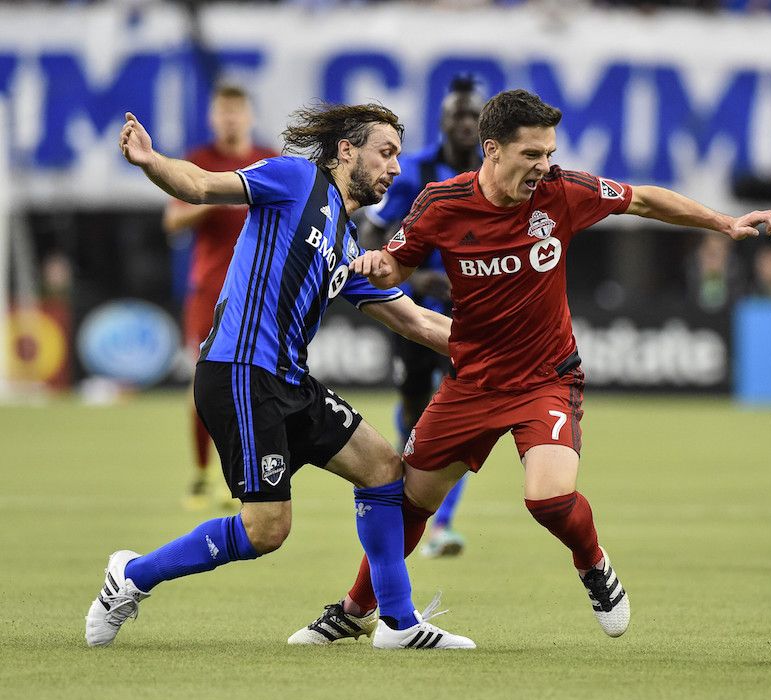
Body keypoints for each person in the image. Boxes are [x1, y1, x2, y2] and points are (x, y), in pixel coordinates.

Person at [294, 88, 771, 643]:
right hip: (472, 382)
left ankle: (593, 564)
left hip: (546, 379)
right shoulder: (441, 203)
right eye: (532, 155)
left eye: (549, 153)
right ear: (493, 150)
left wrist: (722, 223)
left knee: (548, 498)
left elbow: (643, 200)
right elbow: (396, 267)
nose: (544, 166)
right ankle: (355, 610)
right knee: (409, 503)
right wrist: (375, 264)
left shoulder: (562, 192)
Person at [85, 103, 475, 650]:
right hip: (240, 372)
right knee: (266, 530)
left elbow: (413, 318)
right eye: (385, 153)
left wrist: (496, 348)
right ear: (346, 151)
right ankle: (131, 577)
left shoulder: (346, 243)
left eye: (398, 157)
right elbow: (199, 185)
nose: (393, 168)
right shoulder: (293, 177)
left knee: (385, 469)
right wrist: (151, 161)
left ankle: (397, 622)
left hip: (288, 380)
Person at [359, 76, 484, 559]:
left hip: (468, 317)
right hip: (412, 313)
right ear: (442, 122)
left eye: (474, 115)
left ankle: (441, 526)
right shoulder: (412, 175)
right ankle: (409, 500)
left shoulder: (494, 175)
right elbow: (370, 238)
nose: (466, 124)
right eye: (458, 114)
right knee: (415, 409)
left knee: (463, 415)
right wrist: (414, 280)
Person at [163, 84, 279, 510]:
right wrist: (211, 197)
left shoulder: (269, 161)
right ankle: (200, 475)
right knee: (205, 384)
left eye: (237, 111)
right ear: (213, 118)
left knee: (253, 387)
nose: (230, 119)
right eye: (223, 112)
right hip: (209, 291)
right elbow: (173, 222)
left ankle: (246, 477)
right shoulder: (200, 164)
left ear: (249, 116)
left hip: (259, 292)